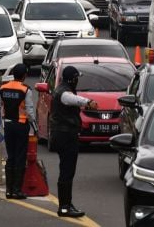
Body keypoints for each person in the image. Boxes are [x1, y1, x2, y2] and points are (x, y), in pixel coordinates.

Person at [49, 66, 98, 218]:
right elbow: (73, 99)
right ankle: (64, 207)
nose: (77, 81)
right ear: (72, 79)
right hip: (66, 136)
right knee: (67, 172)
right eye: (77, 78)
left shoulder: (60, 89)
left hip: (62, 135)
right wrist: (88, 102)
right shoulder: (64, 92)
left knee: (67, 171)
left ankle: (67, 204)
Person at [0, 63, 35, 200]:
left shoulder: (3, 88)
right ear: (24, 75)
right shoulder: (26, 90)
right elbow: (30, 112)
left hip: (8, 126)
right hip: (21, 126)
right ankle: (17, 190)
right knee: (20, 157)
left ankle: (9, 191)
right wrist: (35, 128)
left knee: (10, 156)